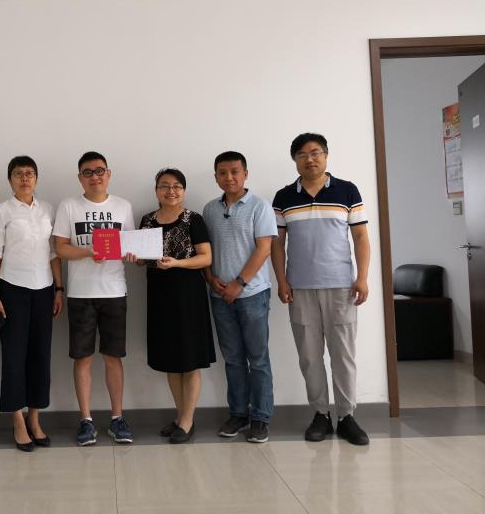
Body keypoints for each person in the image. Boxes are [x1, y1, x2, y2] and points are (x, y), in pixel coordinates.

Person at [271, 133, 371, 446]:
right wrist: (282, 280)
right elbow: (277, 244)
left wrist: (362, 277)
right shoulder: (284, 197)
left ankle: (347, 416)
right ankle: (320, 415)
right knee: (310, 357)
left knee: (343, 356)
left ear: (326, 156)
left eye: (315, 152)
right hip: (299, 288)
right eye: (302, 154)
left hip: (341, 287)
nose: (309, 159)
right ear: (295, 160)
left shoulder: (347, 190)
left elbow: (361, 238)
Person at [53, 151, 136, 446]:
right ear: (80, 178)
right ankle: (86, 420)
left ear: (108, 174)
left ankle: (117, 418)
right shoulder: (68, 206)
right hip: (81, 293)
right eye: (87, 172)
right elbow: (61, 248)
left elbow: (130, 245)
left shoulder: (123, 206)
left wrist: (132, 255)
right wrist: (89, 252)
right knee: (83, 357)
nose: (94, 176)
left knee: (114, 356)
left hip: (114, 291)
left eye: (99, 171)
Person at [0, 156, 63, 452]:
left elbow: (53, 253)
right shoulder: (2, 210)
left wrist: (58, 289)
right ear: (10, 180)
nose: (24, 178)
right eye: (18, 174)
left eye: (30, 173)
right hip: (11, 290)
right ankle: (17, 421)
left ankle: (35, 418)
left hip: (44, 289)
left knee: (40, 355)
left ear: (36, 178)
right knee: (14, 356)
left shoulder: (47, 209)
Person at [203, 152, 278, 443]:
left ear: (245, 174)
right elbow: (205, 249)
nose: (229, 177)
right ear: (216, 177)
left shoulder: (260, 206)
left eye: (235, 171)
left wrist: (239, 283)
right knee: (233, 359)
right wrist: (210, 278)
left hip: (252, 294)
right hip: (219, 295)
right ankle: (238, 413)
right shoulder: (210, 209)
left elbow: (264, 249)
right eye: (222, 173)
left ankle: (260, 417)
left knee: (257, 359)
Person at [136, 168, 215, 444]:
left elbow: (205, 258)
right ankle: (181, 416)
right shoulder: (147, 220)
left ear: (183, 190)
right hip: (159, 296)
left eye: (177, 186)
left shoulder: (194, 219)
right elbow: (143, 258)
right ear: (156, 190)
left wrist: (178, 263)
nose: (171, 191)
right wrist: (134, 257)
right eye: (165, 186)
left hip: (188, 295)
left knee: (190, 360)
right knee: (171, 359)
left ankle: (188, 420)